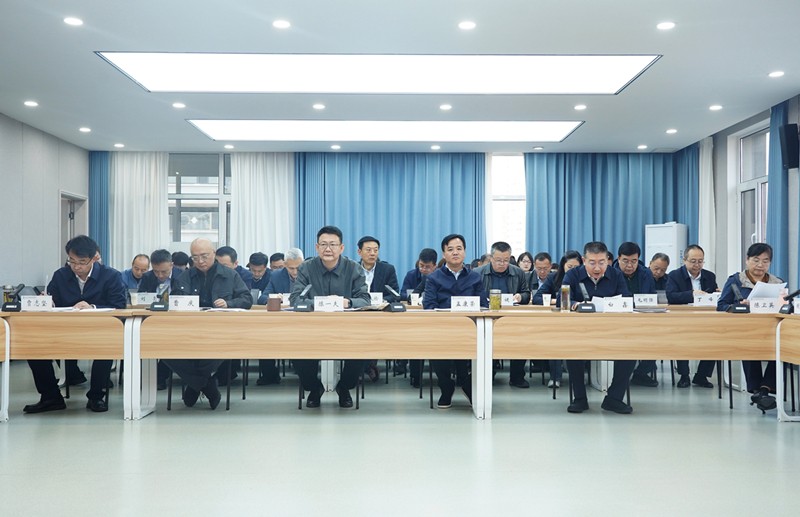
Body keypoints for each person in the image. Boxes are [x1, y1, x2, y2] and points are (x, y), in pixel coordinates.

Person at [24, 235, 127, 414]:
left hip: (98, 331)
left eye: (82, 262)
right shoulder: (61, 275)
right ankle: (51, 397)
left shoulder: (110, 275)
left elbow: (119, 305)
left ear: (94, 258)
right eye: (72, 261)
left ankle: (96, 397)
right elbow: (53, 299)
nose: (76, 267)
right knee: (34, 348)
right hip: (65, 331)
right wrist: (46, 301)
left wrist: (93, 307)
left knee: (106, 347)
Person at [290, 226, 371, 408]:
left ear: (341, 248)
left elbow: (365, 299)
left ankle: (344, 387)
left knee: (363, 349)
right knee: (296, 350)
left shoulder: (354, 268)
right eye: (323, 244)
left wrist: (348, 302)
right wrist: (321, 303)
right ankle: (314, 388)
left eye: (333, 245)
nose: (328, 249)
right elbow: (295, 299)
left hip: (347, 329)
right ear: (316, 247)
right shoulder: (306, 268)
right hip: (312, 329)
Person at [167, 238, 253, 409]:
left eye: (204, 256)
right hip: (189, 331)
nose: (200, 261)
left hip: (220, 332)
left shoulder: (230, 274)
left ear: (214, 253)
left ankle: (194, 386)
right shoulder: (185, 276)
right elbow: (174, 301)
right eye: (195, 257)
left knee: (216, 351)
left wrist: (229, 303)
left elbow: (247, 299)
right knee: (166, 352)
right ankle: (208, 386)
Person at [561, 241, 635, 414]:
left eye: (602, 262)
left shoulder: (616, 275)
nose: (597, 268)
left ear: (607, 260)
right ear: (583, 260)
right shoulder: (572, 275)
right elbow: (562, 299)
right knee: (572, 353)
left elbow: (626, 300)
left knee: (631, 353)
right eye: (592, 262)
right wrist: (575, 304)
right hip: (580, 332)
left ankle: (614, 398)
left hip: (611, 331)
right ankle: (580, 399)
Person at [717, 243, 784, 412]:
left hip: (771, 331)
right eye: (756, 260)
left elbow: (785, 308)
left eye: (765, 261)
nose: (760, 265)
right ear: (747, 260)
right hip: (744, 331)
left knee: (782, 349)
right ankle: (759, 391)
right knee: (749, 346)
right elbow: (721, 305)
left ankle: (764, 390)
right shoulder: (736, 280)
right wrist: (738, 306)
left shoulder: (777, 283)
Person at [424, 233, 486, 408]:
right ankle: (446, 387)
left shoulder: (474, 277)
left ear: (465, 252)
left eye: (459, 249)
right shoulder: (434, 278)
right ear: (444, 254)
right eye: (450, 249)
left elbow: (483, 304)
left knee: (477, 350)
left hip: (470, 329)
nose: (455, 252)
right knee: (437, 352)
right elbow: (429, 305)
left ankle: (467, 384)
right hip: (442, 328)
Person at [475, 241, 531, 388]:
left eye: (506, 260)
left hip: (512, 318)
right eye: (498, 260)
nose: (502, 263)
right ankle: (488, 375)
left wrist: (520, 297)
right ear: (491, 258)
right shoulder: (478, 273)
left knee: (520, 341)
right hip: (486, 318)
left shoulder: (518, 272)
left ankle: (517, 377)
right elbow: (471, 295)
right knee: (486, 344)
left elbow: (526, 293)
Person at [666, 245, 719, 388]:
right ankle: (684, 376)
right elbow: (671, 296)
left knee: (714, 339)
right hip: (682, 319)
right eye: (693, 261)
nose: (697, 265)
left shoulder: (709, 276)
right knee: (682, 340)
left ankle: (701, 376)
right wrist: (691, 294)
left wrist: (717, 294)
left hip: (705, 318)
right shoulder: (674, 275)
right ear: (684, 260)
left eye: (700, 261)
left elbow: (713, 295)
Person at [532, 250, 583, 387]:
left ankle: (578, 378)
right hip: (558, 322)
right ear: (563, 266)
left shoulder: (584, 279)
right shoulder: (554, 278)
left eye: (576, 267)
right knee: (554, 339)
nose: (573, 270)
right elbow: (537, 298)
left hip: (579, 323)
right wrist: (556, 301)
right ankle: (555, 378)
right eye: (570, 267)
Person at [255, 248, 305, 385]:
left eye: (298, 268)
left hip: (304, 321)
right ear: (285, 265)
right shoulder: (276, 275)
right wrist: (274, 298)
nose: (295, 272)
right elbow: (262, 298)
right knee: (263, 339)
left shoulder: (310, 273)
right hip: (281, 322)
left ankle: (306, 377)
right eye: (291, 268)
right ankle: (270, 375)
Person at [614, 242, 658, 388]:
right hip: (617, 321)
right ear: (618, 258)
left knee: (655, 339)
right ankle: (619, 377)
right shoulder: (610, 273)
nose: (630, 265)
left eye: (634, 261)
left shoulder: (646, 273)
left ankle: (640, 373)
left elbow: (651, 296)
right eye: (625, 261)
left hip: (642, 319)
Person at [357, 235, 401, 382]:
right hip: (357, 314)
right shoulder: (352, 269)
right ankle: (362, 366)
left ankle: (368, 365)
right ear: (359, 252)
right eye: (368, 250)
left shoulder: (387, 269)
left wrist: (381, 302)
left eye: (375, 250)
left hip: (380, 315)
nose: (372, 253)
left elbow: (394, 294)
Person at [138, 249, 184, 390]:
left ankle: (159, 377)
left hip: (176, 320)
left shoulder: (183, 276)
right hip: (152, 319)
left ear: (171, 265)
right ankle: (146, 376)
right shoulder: (147, 277)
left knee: (170, 341)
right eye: (156, 271)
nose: (160, 275)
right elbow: (141, 299)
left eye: (164, 271)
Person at [398, 248, 438, 383]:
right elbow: (403, 294)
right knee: (414, 340)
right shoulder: (411, 275)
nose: (423, 269)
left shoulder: (441, 276)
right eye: (421, 266)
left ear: (435, 266)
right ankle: (415, 376)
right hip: (415, 316)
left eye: (427, 267)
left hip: (435, 318)